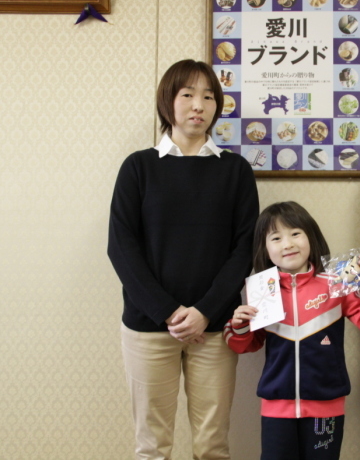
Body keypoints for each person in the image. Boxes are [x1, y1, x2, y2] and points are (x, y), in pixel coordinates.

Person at [107, 59, 259, 459]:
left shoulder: (236, 171)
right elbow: (121, 246)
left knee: (212, 443)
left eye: (208, 96)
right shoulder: (138, 167)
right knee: (152, 444)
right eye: (187, 94)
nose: (199, 105)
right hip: (148, 326)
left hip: (214, 328)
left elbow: (244, 248)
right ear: (168, 102)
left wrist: (205, 311)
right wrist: (169, 312)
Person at [223, 201, 360, 460]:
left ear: (311, 236)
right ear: (264, 248)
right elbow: (247, 344)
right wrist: (240, 325)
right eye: (276, 237)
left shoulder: (337, 282)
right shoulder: (262, 289)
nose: (288, 244)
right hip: (276, 411)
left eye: (296, 233)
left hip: (327, 408)